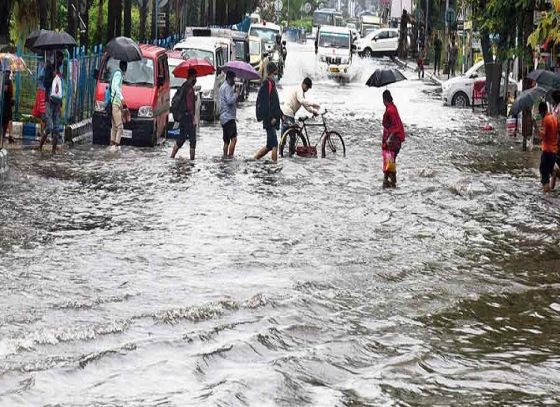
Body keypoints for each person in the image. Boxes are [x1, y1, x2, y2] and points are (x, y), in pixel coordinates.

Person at [255, 62, 282, 163]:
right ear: (272, 71)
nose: (276, 73)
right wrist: (272, 118)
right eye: (275, 71)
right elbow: (266, 104)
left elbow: (275, 102)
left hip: (272, 119)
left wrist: (280, 114)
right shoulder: (267, 84)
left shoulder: (272, 83)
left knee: (270, 145)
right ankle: (274, 165)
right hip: (269, 120)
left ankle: (254, 159)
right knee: (274, 144)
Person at [39, 51, 64, 152]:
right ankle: (40, 145)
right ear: (56, 58)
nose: (61, 61)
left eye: (62, 59)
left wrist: (61, 102)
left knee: (56, 128)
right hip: (49, 101)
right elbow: (45, 83)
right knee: (49, 127)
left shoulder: (59, 70)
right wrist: (52, 77)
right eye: (60, 58)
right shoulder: (49, 68)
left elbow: (61, 89)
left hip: (57, 103)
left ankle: (53, 150)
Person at [171, 68, 197, 159]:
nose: (196, 79)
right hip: (188, 118)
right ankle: (192, 161)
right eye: (195, 77)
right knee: (193, 140)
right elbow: (190, 106)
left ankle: (172, 156)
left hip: (182, 117)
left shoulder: (183, 86)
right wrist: (193, 118)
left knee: (181, 138)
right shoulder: (189, 89)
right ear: (192, 77)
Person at [381, 90, 405, 188]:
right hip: (395, 140)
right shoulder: (392, 107)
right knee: (391, 162)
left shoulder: (391, 110)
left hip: (393, 141)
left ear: (384, 99)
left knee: (389, 162)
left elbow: (395, 127)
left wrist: (389, 139)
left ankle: (387, 183)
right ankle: (391, 183)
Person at [219, 70, 240, 157]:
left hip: (224, 117)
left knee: (226, 141)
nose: (234, 81)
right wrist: (236, 94)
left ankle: (225, 157)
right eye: (233, 79)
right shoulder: (227, 87)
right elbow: (229, 101)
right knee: (234, 139)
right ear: (228, 78)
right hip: (228, 118)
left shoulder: (223, 86)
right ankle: (230, 157)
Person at [538, 102, 558, 192]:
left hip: (547, 151)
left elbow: (542, 136)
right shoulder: (554, 118)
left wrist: (535, 126)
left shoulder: (545, 119)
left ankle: (546, 194)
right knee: (549, 169)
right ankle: (554, 172)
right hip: (554, 151)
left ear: (541, 111)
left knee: (544, 172)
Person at [109, 60, 127, 147]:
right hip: (116, 103)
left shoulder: (117, 74)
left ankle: (112, 144)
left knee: (114, 126)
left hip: (115, 102)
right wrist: (121, 98)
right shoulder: (118, 74)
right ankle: (116, 145)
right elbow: (115, 86)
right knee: (120, 127)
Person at [2, 70, 14, 143]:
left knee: (9, 120)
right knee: (8, 120)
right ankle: (7, 136)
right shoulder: (7, 81)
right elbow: (6, 91)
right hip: (6, 104)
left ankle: (9, 135)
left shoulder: (4, 80)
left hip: (6, 103)